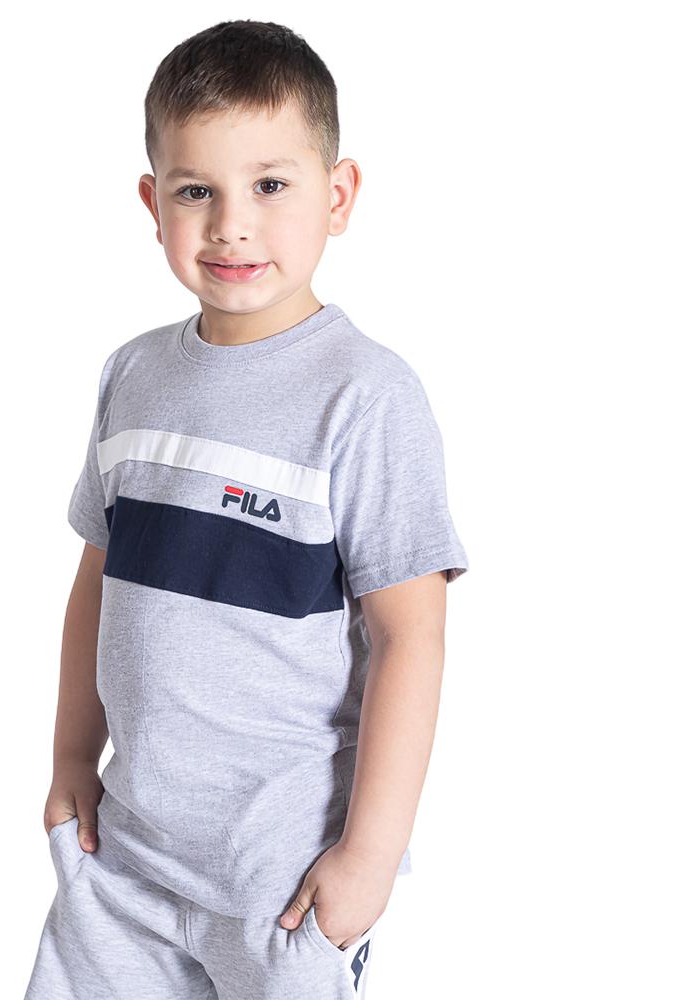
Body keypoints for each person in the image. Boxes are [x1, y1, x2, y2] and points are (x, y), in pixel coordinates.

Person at [23, 18, 469, 1000]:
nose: (231, 224)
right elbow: (99, 577)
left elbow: (411, 635)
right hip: (124, 857)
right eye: (197, 191)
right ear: (154, 203)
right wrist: (69, 756)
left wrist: (368, 857)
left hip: (281, 876)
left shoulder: (366, 397)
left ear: (337, 195)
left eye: (270, 185)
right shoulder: (134, 373)